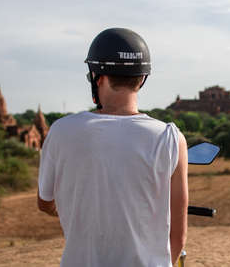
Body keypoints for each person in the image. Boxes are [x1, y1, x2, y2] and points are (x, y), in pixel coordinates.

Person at [37, 28, 188, 267]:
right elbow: (178, 237)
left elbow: (45, 202)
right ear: (142, 78)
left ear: (97, 76)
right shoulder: (171, 138)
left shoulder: (61, 130)